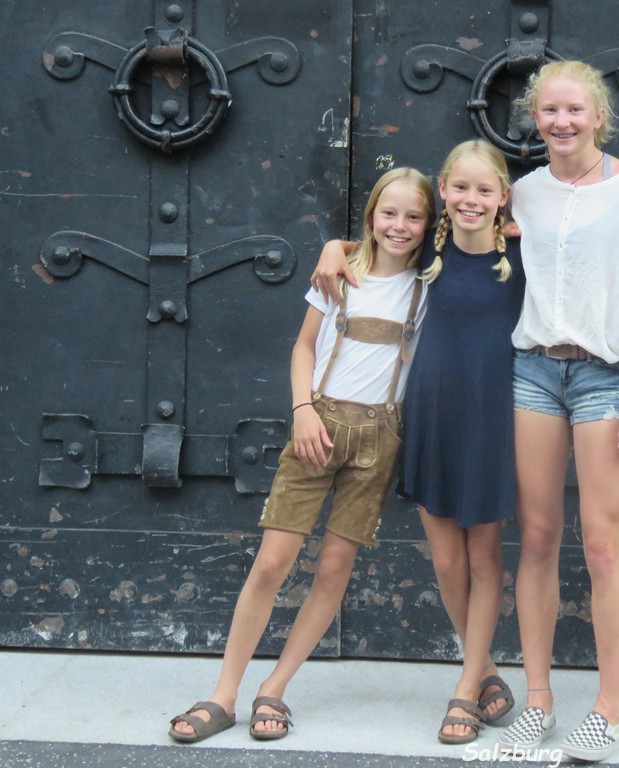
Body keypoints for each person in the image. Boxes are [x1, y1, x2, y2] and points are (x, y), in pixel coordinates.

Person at [168, 167, 434, 744]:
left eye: (414, 216)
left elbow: (486, 238)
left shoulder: (428, 285)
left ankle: (276, 687)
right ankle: (223, 695)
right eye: (389, 213)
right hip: (318, 425)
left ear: (428, 224)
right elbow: (304, 346)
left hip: (379, 438)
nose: (400, 225)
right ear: (371, 216)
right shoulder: (340, 272)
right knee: (272, 563)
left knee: (334, 569)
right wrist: (303, 409)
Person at [311, 139, 525, 745]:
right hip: (430, 415)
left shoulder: (521, 255)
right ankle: (484, 669)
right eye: (460, 188)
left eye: (484, 190)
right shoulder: (428, 253)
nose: (470, 199)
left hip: (490, 419)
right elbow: (369, 246)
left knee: (484, 558)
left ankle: (465, 688)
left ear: (503, 197)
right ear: (443, 191)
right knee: (448, 561)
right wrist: (332, 247)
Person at [494, 60, 619, 763]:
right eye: (549, 111)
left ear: (599, 115)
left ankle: (608, 709)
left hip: (605, 378)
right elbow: (451, 235)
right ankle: (537, 701)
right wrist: (340, 246)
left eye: (574, 110)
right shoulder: (524, 193)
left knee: (601, 544)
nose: (561, 122)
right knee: (537, 539)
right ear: (535, 118)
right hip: (533, 372)